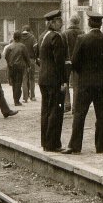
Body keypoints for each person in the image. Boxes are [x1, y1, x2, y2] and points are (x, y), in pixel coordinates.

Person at [62, 12, 103, 154]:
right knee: (101, 115)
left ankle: (75, 146)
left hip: (85, 83)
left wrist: (84, 73)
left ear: (88, 23)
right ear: (101, 24)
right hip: (102, 84)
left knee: (80, 114)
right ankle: (100, 147)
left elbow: (75, 62)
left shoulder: (82, 39)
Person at [38, 10, 67, 151]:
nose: (61, 23)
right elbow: (59, 62)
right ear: (53, 23)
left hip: (43, 77)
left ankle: (45, 142)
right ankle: (53, 144)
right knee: (56, 111)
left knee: (46, 111)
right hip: (54, 79)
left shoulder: (42, 36)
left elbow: (39, 58)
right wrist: (63, 81)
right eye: (59, 21)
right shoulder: (56, 37)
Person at [63, 15, 83, 113]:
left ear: (70, 22)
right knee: (77, 85)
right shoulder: (82, 33)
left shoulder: (65, 33)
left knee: (65, 82)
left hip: (67, 61)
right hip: (79, 61)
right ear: (78, 22)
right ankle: (75, 107)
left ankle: (67, 104)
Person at [4, 32, 28, 106]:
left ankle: (15, 99)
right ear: (20, 37)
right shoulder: (22, 46)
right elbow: (26, 57)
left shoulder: (9, 47)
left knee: (14, 83)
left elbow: (6, 56)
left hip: (11, 67)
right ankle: (16, 100)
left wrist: (9, 63)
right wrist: (28, 65)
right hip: (20, 67)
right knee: (18, 83)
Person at [20, 25, 38, 102]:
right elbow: (36, 48)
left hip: (22, 60)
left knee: (24, 78)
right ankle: (33, 96)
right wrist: (36, 56)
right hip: (31, 60)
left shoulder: (19, 37)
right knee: (32, 78)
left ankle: (25, 97)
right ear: (29, 30)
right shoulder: (32, 37)